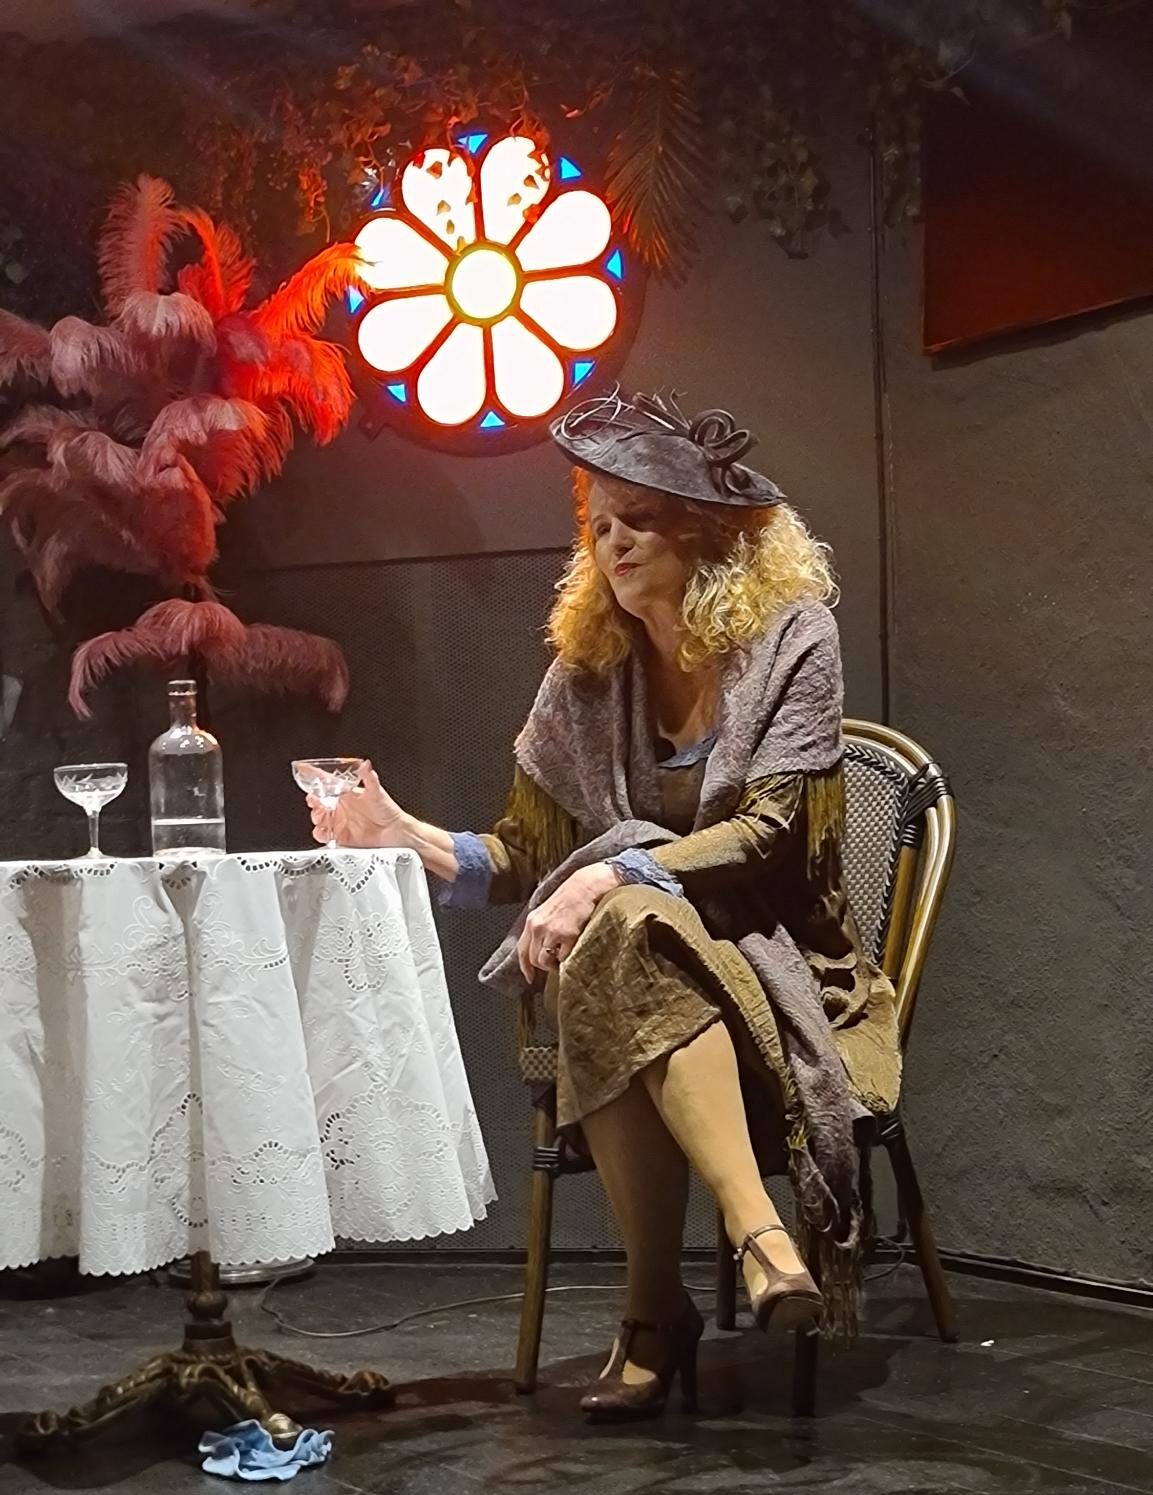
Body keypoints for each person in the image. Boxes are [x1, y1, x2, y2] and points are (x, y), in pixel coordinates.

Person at [311, 390, 900, 1423]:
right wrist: (400, 834)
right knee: (622, 936)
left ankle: (653, 1311)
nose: (610, 540)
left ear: (707, 529)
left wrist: (611, 872)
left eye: (636, 516)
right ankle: (761, 1242)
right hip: (648, 966)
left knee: (617, 920)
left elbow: (771, 836)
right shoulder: (588, 669)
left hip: (779, 957)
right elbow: (524, 853)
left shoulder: (791, 636)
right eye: (597, 521)